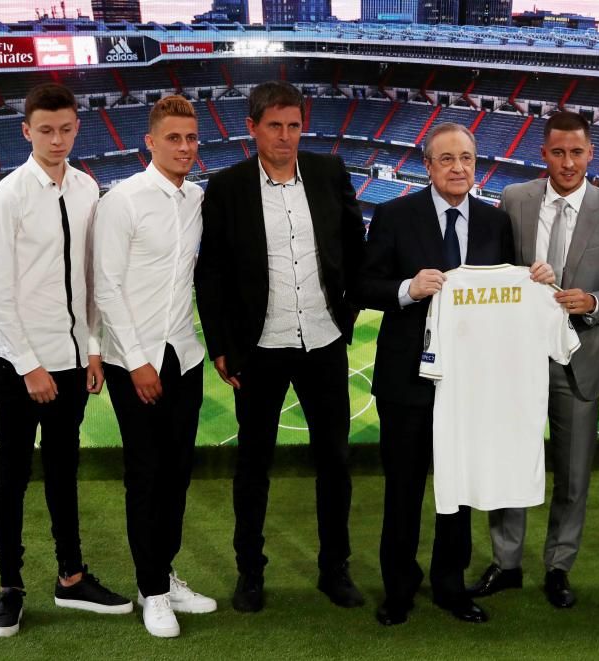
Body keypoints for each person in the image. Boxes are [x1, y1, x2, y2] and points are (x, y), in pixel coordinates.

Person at [194, 80, 366, 613]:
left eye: (294, 125)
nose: (286, 136)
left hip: (323, 340)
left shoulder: (330, 172)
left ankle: (334, 569)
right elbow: (211, 273)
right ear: (252, 128)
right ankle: (250, 571)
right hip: (260, 349)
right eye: (275, 126)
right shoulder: (226, 187)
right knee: (253, 466)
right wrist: (222, 344)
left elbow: (354, 252)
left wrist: (346, 314)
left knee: (335, 461)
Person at [361, 122, 537, 626]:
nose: (458, 168)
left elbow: (506, 297)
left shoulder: (493, 223)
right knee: (403, 491)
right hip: (405, 381)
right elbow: (363, 285)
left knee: (456, 492)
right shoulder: (395, 215)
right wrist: (406, 289)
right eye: (447, 159)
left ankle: (450, 585)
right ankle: (399, 588)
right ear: (428, 165)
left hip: (470, 384)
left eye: (466, 158)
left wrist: (536, 279)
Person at [468, 111, 599, 609]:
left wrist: (593, 303)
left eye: (577, 152)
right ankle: (506, 563)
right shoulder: (515, 199)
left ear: (591, 154)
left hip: (580, 359)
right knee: (509, 465)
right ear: (543, 153)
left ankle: (559, 566)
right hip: (517, 357)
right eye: (558, 152)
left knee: (573, 474)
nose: (568, 162)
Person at [0, 83, 131, 637]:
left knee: (64, 473)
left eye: (66, 128)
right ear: (26, 131)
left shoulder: (89, 188)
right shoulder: (7, 197)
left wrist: (91, 347)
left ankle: (71, 577)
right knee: (12, 477)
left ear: (76, 127)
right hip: (22, 364)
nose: (57, 139)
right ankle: (10, 587)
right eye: (45, 130)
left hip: (71, 362)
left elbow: (88, 281)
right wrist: (29, 365)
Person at [94, 95, 216, 638]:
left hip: (184, 356)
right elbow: (107, 287)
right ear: (151, 141)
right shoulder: (123, 200)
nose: (186, 147)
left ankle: (160, 577)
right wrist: (139, 361)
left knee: (177, 476)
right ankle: (153, 592)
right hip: (134, 362)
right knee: (145, 476)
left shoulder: (196, 199)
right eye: (174, 138)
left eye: (192, 138)